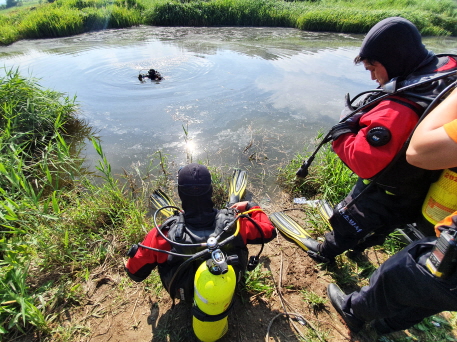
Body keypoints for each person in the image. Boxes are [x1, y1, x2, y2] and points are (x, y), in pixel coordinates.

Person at [302, 17, 457, 263]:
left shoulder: (399, 108)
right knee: (386, 225)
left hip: (388, 190)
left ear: (394, 60)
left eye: (373, 69)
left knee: (351, 218)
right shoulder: (447, 69)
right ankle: (360, 249)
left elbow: (363, 161)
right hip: (423, 189)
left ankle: (325, 252)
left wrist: (344, 125)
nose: (373, 78)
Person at [326, 84, 457, 336]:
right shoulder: (433, 80)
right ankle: (389, 324)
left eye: (371, 67)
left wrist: (343, 131)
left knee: (404, 270)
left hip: (443, 228)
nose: (372, 77)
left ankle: (354, 311)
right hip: (431, 207)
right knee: (441, 290)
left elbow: (418, 150)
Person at [125, 163, 276, 302]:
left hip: (185, 295)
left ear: (179, 193)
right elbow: (269, 231)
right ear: (210, 190)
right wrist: (252, 205)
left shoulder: (162, 235)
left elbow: (134, 272)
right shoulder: (236, 224)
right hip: (229, 286)